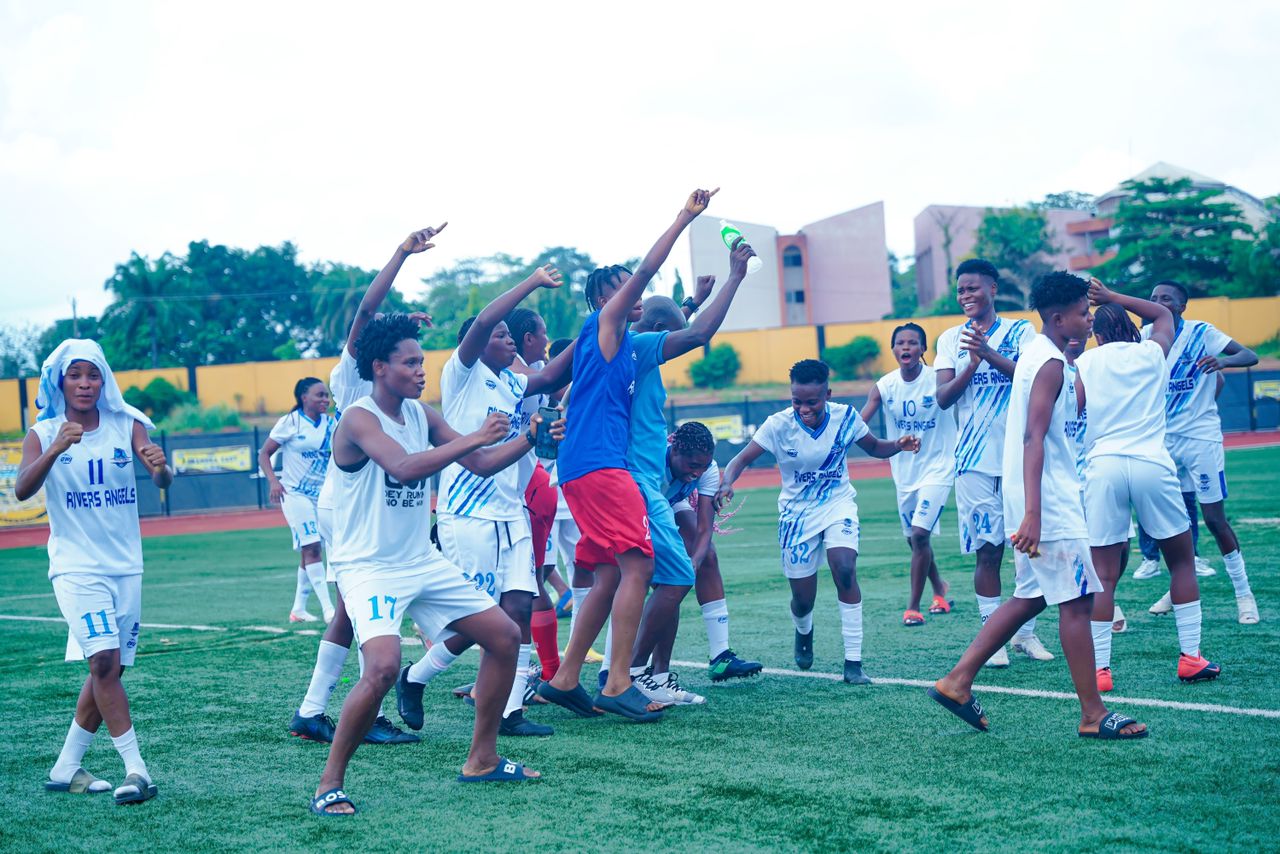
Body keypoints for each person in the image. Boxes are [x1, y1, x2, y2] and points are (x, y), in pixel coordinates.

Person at [311, 314, 551, 816]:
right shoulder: (358, 417)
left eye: (422, 362)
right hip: (369, 566)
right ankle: (329, 783)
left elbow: (481, 464)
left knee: (506, 636)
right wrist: (475, 435)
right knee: (381, 668)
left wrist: (531, 437)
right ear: (379, 367)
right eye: (410, 362)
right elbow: (403, 465)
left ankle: (482, 758)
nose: (421, 371)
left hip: (420, 559)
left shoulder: (421, 414)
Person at [927, 271, 1148, 741]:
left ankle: (957, 681)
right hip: (1049, 503)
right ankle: (1093, 713)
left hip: (1040, 498)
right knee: (1078, 602)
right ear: (1057, 317)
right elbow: (1033, 437)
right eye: (1083, 313)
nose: (1090, 319)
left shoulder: (1040, 355)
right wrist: (1033, 511)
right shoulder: (1047, 362)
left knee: (1033, 596)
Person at [538, 187, 718, 722]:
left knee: (612, 573)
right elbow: (646, 272)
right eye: (623, 289)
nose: (634, 291)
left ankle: (566, 678)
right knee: (641, 562)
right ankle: (618, 683)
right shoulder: (605, 324)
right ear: (605, 300)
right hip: (600, 467)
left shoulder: (599, 338)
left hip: (582, 467)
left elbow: (546, 377)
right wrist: (683, 218)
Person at [397, 267, 574, 738]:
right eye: (500, 334)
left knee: (519, 610)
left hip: (511, 514)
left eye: (510, 334)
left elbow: (557, 371)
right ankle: (414, 678)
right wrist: (532, 283)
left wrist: (605, 319)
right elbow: (480, 324)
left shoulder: (514, 384)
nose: (509, 338)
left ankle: (509, 711)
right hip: (469, 515)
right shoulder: (463, 374)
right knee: (480, 619)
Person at [290, 225, 443, 747]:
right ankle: (368, 710)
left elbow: (375, 321)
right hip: (355, 504)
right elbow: (364, 314)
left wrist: (403, 321)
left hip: (366, 500)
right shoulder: (354, 376)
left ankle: (312, 709)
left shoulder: (385, 380)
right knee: (372, 602)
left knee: (350, 613)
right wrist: (401, 253)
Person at [17, 339, 175, 805]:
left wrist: (163, 470)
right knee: (103, 662)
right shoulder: (43, 433)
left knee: (113, 668)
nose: (85, 384)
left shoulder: (128, 424)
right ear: (59, 381)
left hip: (126, 567)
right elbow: (24, 489)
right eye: (75, 375)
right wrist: (55, 450)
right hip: (75, 568)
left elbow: (162, 478)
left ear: (103, 380)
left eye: (93, 375)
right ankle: (137, 770)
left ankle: (67, 766)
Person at [716, 359, 920, 685]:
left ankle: (853, 662)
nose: (803, 408)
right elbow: (740, 459)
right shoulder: (778, 425)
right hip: (796, 516)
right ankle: (803, 630)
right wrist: (728, 481)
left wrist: (898, 445)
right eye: (797, 401)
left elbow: (875, 448)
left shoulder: (846, 418)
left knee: (844, 568)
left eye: (811, 401)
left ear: (827, 393)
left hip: (838, 505)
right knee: (802, 598)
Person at [617, 239, 754, 708]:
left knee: (657, 579)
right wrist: (735, 276)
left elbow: (668, 319)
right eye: (668, 339)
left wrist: (690, 300)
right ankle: (627, 674)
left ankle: (637, 675)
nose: (675, 349)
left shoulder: (636, 348)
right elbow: (691, 335)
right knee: (659, 578)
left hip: (636, 485)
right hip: (634, 484)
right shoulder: (635, 349)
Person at [1076, 280, 1221, 692]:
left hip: (1102, 466)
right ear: (1130, 327)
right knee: (1181, 561)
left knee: (1104, 575)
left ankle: (1101, 671)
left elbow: (1077, 408)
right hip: (1151, 463)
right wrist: (1113, 297)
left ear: (1098, 335)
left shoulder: (1086, 362)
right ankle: (1191, 658)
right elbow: (1161, 315)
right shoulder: (1152, 352)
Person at [934, 259, 1052, 666]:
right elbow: (944, 397)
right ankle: (993, 636)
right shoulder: (950, 338)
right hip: (974, 459)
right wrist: (972, 363)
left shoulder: (1021, 331)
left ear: (993, 288)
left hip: (1020, 457)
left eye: (973, 288)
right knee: (988, 550)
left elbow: (1033, 377)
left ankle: (1026, 635)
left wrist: (989, 352)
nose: (966, 296)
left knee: (1027, 549)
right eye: (961, 290)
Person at [1141, 281, 1260, 624]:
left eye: (1166, 298)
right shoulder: (1146, 335)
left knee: (1213, 519)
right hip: (1162, 440)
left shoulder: (1201, 332)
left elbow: (1249, 355)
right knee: (1171, 523)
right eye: (1153, 298)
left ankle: (1244, 594)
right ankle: (1176, 587)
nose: (1158, 302)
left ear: (1182, 305)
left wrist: (1223, 362)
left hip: (1200, 439)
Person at [860, 323, 957, 627]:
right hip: (904, 473)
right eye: (900, 343)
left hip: (939, 468)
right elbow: (859, 426)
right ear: (893, 349)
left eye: (913, 343)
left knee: (919, 535)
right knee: (915, 541)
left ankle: (913, 607)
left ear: (923, 349)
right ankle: (940, 587)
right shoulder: (885, 386)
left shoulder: (937, 380)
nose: (906, 347)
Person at [667, 422, 764, 683]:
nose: (697, 472)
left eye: (703, 466)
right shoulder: (652, 462)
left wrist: (695, 562)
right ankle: (630, 669)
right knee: (655, 579)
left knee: (707, 555)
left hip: (671, 501)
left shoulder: (706, 468)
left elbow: (704, 526)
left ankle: (721, 656)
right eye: (692, 466)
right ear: (674, 451)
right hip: (639, 505)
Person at [258, 377, 336, 623]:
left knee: (310, 548)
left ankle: (298, 609)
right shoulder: (290, 422)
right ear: (304, 397)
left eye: (327, 395)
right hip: (295, 494)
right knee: (312, 546)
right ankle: (328, 609)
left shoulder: (331, 424)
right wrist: (273, 481)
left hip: (322, 496)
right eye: (320, 395)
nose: (325, 400)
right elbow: (264, 453)